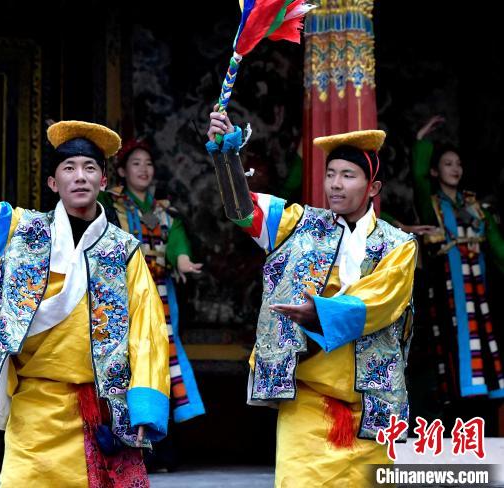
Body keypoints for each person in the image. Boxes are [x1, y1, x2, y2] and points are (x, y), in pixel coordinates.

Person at [0, 96, 171, 487]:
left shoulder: (124, 251)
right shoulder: (20, 231)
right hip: (34, 411)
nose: (80, 176)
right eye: (69, 168)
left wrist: (145, 406)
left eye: (90, 168)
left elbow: (148, 331)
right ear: (53, 182)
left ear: (104, 182)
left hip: (102, 413)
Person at [206, 109, 417, 485]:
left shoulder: (398, 245)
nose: (335, 184)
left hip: (372, 408)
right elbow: (243, 211)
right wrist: (228, 158)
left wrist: (319, 313)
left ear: (373, 188)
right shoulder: (299, 224)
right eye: (330, 174)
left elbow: (381, 300)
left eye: (348, 176)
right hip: (307, 401)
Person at [100, 139, 205, 471]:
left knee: (163, 364)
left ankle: (161, 448)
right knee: (125, 363)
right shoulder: (109, 203)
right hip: (122, 294)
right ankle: (126, 446)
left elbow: (177, 242)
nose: (143, 169)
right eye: (136, 163)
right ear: (121, 171)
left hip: (161, 296)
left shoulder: (164, 211)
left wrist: (183, 259)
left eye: (148, 163)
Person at [410, 116, 504, 431]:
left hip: (480, 291)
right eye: (448, 164)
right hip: (448, 292)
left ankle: (484, 417)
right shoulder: (431, 204)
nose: (455, 168)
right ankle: (457, 419)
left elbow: (496, 247)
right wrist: (421, 142)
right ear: (435, 171)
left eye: (458, 164)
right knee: (451, 350)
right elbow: (418, 178)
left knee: (485, 346)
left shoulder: (475, 206)